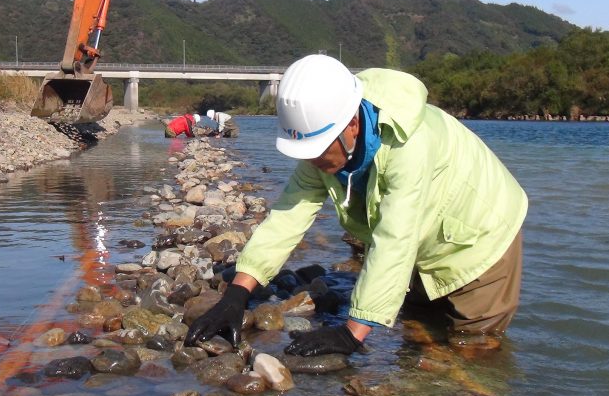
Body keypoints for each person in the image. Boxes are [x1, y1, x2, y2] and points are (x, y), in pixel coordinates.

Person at [186, 54, 528, 357]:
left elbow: (395, 239)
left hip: (480, 239)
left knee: (473, 349)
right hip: (425, 242)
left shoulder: (411, 145)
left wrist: (351, 333)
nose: (313, 160)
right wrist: (236, 296)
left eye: (320, 149)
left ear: (351, 124)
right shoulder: (324, 143)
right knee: (418, 340)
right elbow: (289, 215)